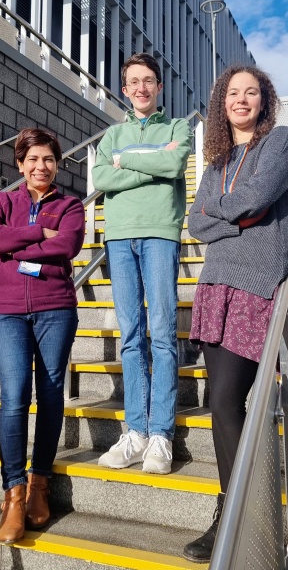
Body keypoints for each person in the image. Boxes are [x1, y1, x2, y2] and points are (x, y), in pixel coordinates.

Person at [183, 65, 288, 562]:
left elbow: (257, 199)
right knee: (220, 405)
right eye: (234, 93)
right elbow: (194, 222)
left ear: (264, 99)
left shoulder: (279, 142)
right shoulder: (217, 160)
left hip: (257, 286)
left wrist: (221, 217)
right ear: (221, 103)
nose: (242, 100)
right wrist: (236, 221)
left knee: (230, 401)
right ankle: (229, 512)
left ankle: (237, 514)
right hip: (215, 287)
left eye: (252, 92)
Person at [0, 128, 85, 545]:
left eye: (49, 160)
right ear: (20, 164)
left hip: (55, 308)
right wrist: (40, 234)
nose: (42, 166)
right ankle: (13, 494)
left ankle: (40, 484)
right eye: (33, 159)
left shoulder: (71, 204)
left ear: (58, 164)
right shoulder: (2, 201)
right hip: (7, 312)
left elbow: (70, 245)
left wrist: (12, 248)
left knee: (52, 391)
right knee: (14, 395)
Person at [92, 53, 192, 474]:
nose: (141, 88)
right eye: (133, 81)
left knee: (164, 334)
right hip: (118, 236)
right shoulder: (112, 133)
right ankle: (134, 431)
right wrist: (148, 162)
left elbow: (174, 162)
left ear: (159, 86)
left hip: (160, 234)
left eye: (148, 80)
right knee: (132, 335)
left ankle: (160, 435)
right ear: (124, 87)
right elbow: (101, 180)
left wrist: (125, 160)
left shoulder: (178, 127)